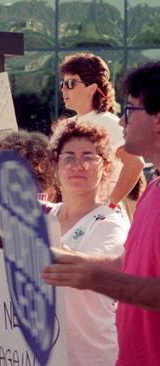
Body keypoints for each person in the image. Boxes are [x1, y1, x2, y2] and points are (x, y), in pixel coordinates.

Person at [43, 62, 160, 366]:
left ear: (158, 118)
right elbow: (129, 264)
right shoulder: (153, 191)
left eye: (130, 111)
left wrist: (93, 277)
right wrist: (69, 259)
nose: (122, 122)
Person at [48, 121, 129, 365]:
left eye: (88, 157)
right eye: (69, 157)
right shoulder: (44, 217)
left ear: (105, 168)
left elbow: (90, 268)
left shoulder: (110, 222)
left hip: (90, 357)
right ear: (56, 166)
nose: (78, 166)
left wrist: (32, 248)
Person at [60, 53, 145, 207]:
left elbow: (135, 163)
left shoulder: (108, 122)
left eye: (70, 83)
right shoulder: (66, 124)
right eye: (63, 84)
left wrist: (110, 203)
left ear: (91, 88)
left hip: (99, 218)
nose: (64, 89)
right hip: (73, 214)